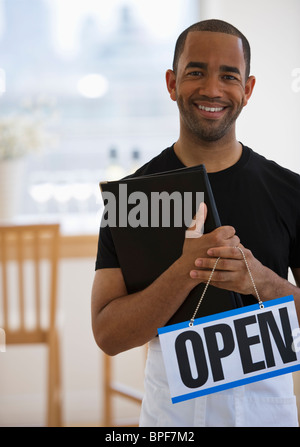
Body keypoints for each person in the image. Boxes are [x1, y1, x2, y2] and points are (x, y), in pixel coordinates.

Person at [91, 19, 300, 427]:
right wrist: (189, 268)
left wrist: (260, 280)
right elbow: (108, 335)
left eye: (229, 75)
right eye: (196, 72)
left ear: (248, 89)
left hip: (266, 414)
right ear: (171, 83)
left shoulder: (290, 192)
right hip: (170, 418)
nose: (212, 89)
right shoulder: (133, 199)